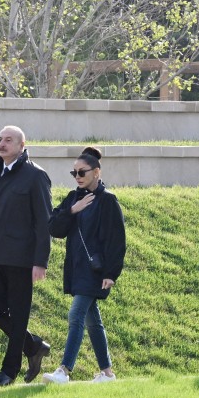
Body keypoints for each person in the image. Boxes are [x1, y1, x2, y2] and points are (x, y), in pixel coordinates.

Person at [0, 125, 53, 387]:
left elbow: (44, 222)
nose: (2, 144)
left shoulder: (35, 176)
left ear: (21, 145)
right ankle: (33, 346)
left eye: (8, 140)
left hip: (21, 259)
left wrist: (40, 261)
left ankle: (8, 372)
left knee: (18, 316)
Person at [44, 147, 126, 384]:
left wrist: (111, 273)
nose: (77, 177)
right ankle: (107, 373)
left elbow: (117, 240)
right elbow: (54, 228)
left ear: (96, 172)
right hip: (77, 268)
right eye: (74, 173)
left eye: (82, 172)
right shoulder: (73, 197)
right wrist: (72, 210)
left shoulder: (108, 201)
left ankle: (64, 370)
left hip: (96, 271)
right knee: (92, 320)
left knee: (76, 314)